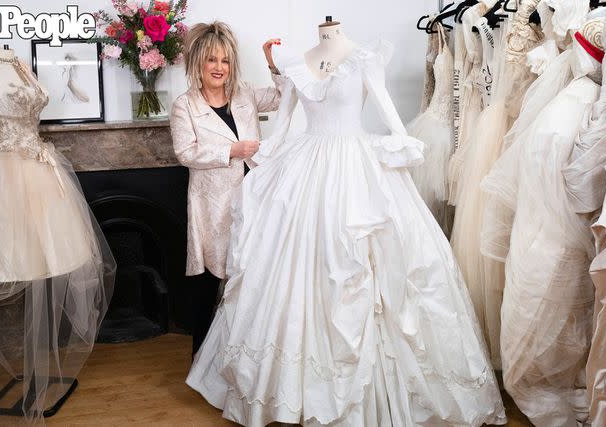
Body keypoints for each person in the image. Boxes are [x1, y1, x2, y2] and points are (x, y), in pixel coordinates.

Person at [186, 19, 505, 427]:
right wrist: (265, 158)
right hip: (306, 166)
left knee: (368, 265)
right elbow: (282, 125)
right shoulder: (299, 63)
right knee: (298, 267)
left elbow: (387, 108)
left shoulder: (364, 57)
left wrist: (400, 140)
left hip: (356, 164)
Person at [170, 21, 285, 356]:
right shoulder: (185, 105)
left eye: (225, 61)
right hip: (213, 204)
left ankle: (246, 355)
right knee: (211, 280)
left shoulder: (244, 93)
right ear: (198, 64)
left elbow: (281, 97)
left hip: (254, 196)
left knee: (251, 273)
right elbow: (185, 152)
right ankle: (201, 357)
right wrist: (231, 151)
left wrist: (271, 61)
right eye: (212, 60)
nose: (219, 68)